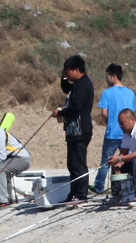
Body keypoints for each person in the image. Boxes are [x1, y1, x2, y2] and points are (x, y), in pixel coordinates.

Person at [53, 54, 93, 204]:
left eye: (67, 71)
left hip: (81, 130)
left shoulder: (84, 85)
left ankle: (81, 195)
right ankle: (73, 193)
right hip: (72, 131)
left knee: (79, 164)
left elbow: (75, 108)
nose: (66, 73)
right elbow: (65, 88)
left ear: (76, 70)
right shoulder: (76, 84)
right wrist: (63, 76)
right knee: (71, 164)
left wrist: (60, 113)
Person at [93, 63, 135, 195]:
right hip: (127, 134)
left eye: (107, 77)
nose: (106, 79)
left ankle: (99, 187)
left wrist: (109, 123)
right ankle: (123, 188)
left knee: (106, 161)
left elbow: (104, 113)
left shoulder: (107, 93)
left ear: (114, 76)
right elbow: (132, 114)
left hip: (112, 133)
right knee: (125, 160)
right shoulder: (130, 93)